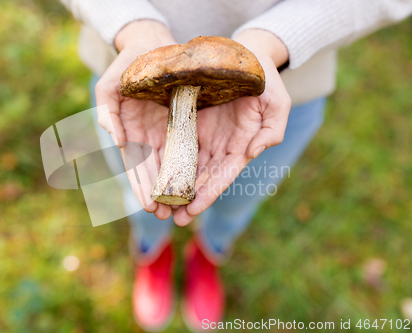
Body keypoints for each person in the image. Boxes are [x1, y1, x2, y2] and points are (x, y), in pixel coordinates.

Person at [60, 0, 412, 331]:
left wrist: (274, 41)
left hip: (277, 90)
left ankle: (209, 253)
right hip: (125, 63)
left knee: (237, 201)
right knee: (135, 194)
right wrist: (133, 28)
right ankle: (152, 253)